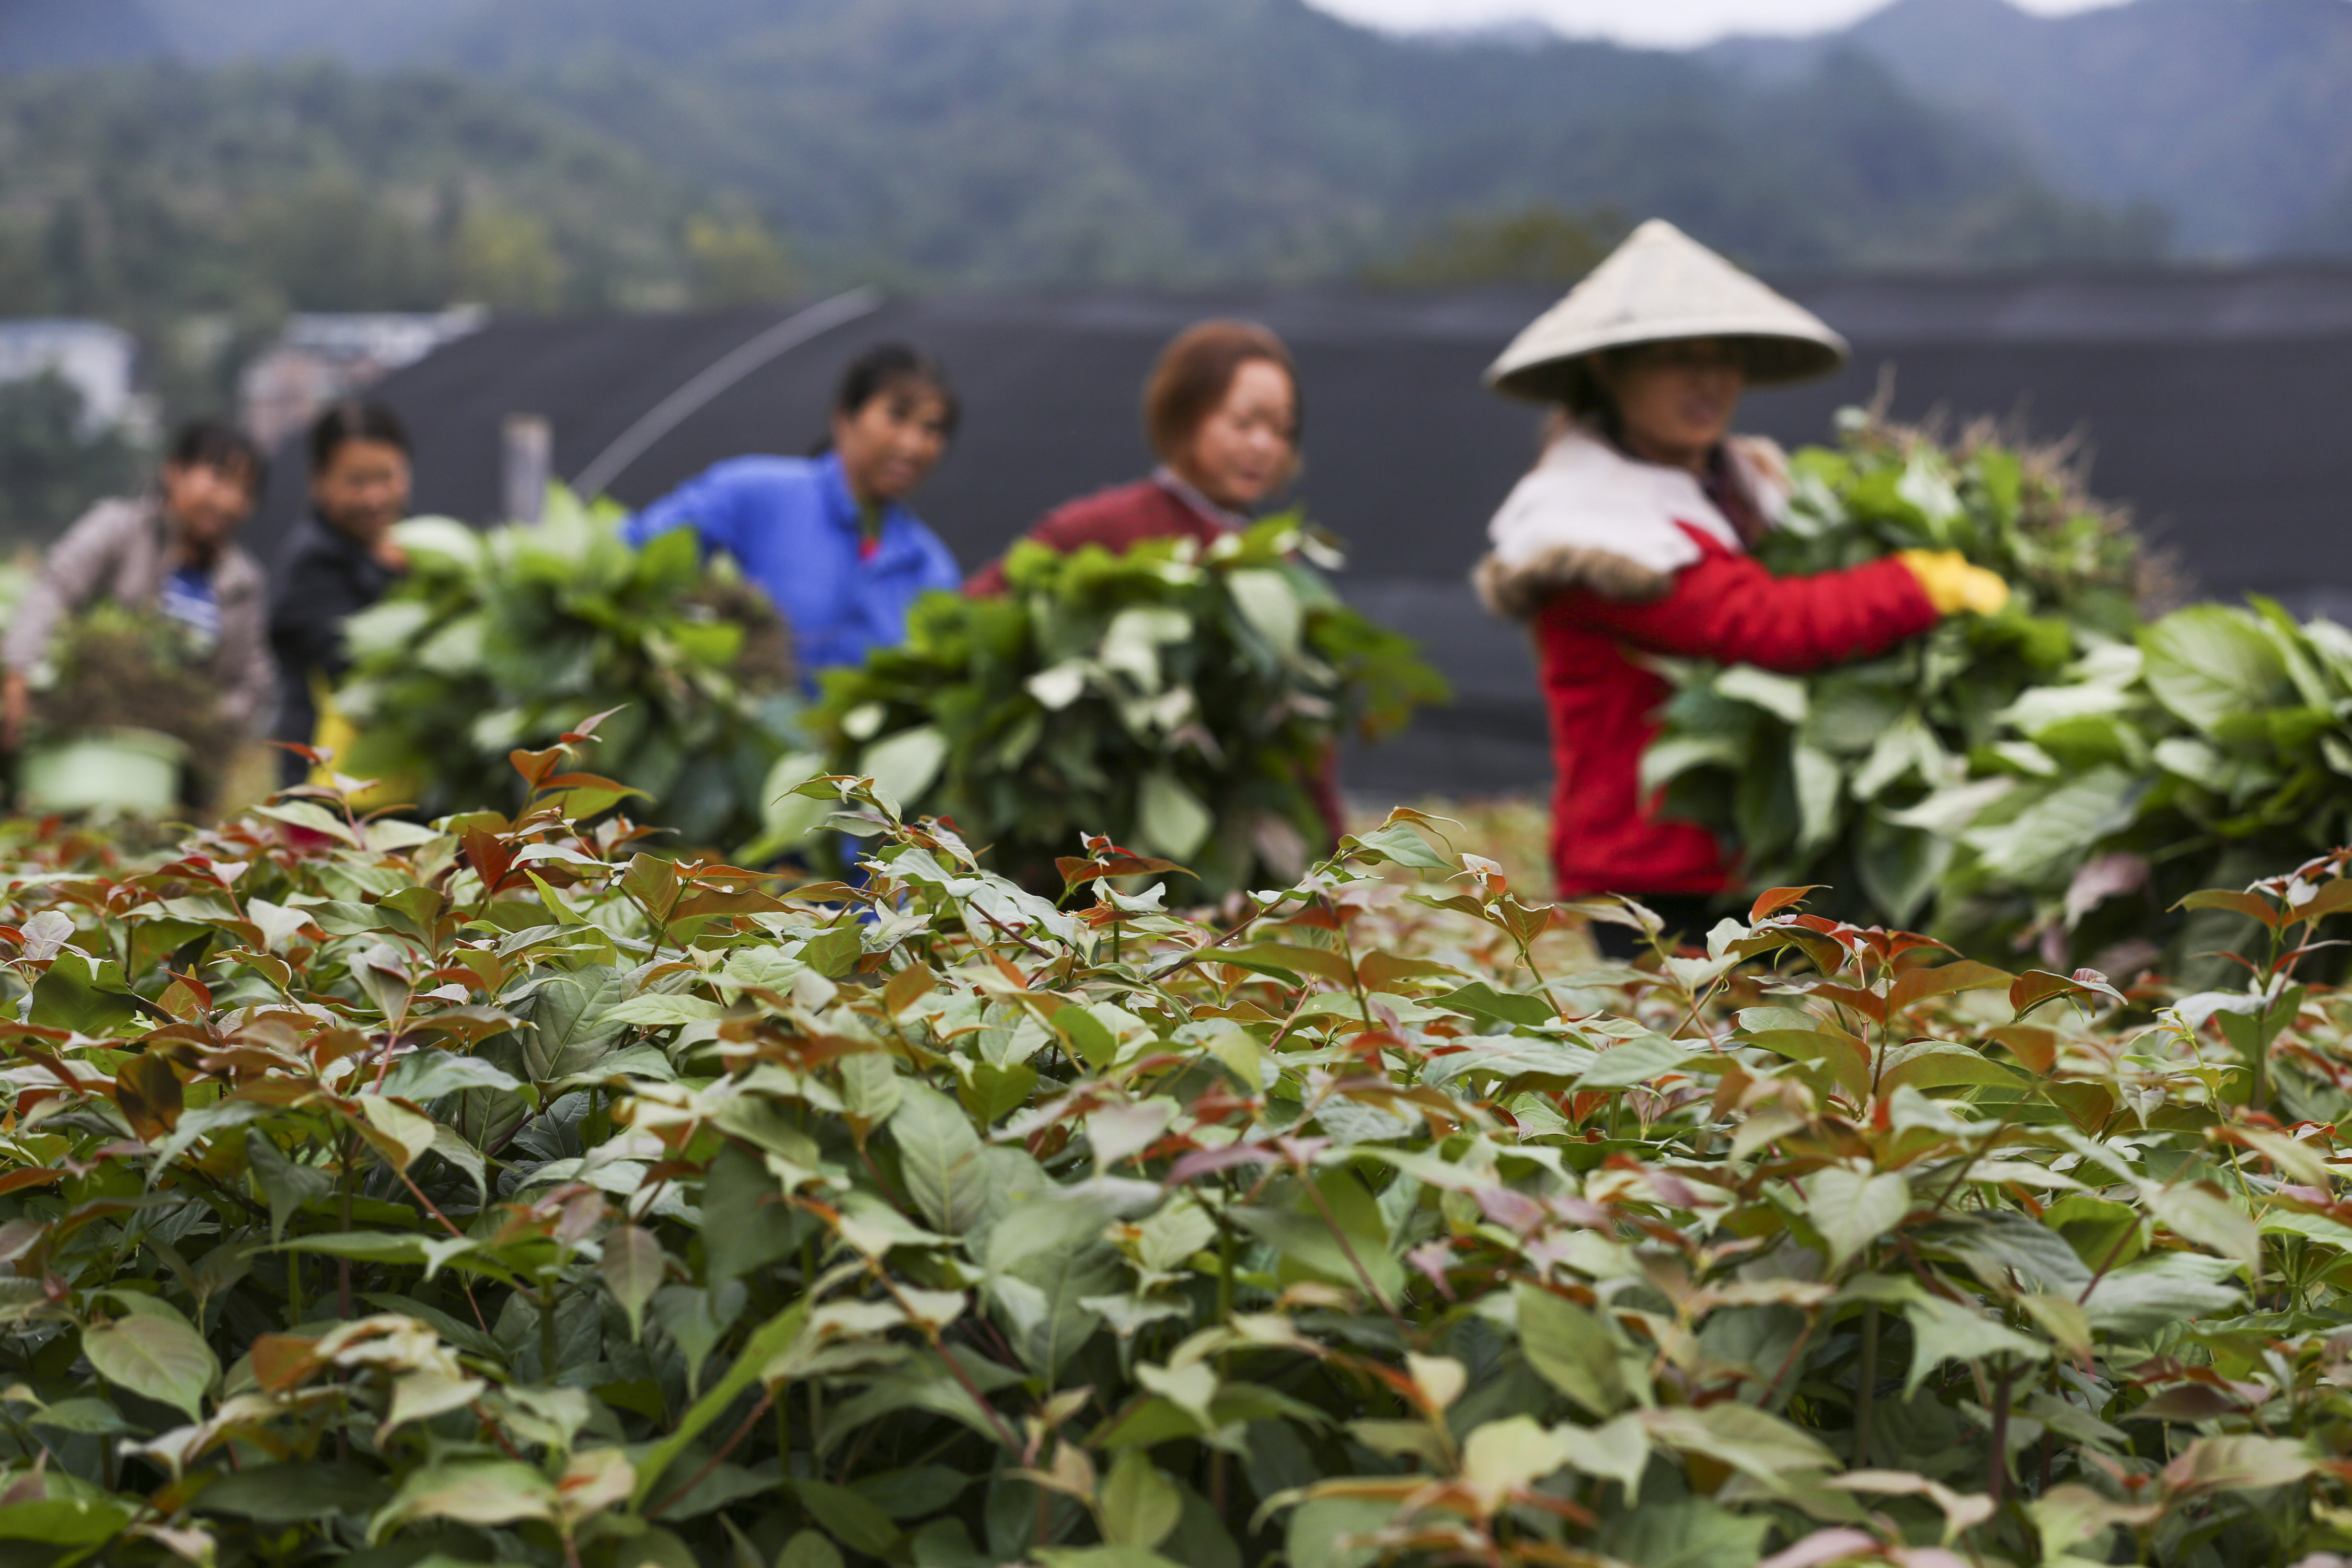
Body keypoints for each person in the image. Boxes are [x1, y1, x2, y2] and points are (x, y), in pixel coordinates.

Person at [1473, 220, 2009, 954]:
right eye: (1678, 359)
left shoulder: (1744, 487)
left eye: (1723, 358)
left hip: (1746, 862)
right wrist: (1915, 583)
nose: (1710, 381)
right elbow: (1761, 622)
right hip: (1651, 871)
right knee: (1683, 1032)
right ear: (1607, 367)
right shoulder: (1587, 524)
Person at [621, 342, 962, 685]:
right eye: (897, 416)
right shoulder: (752, 494)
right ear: (845, 417)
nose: (912, 445)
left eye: (932, 429)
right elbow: (632, 557)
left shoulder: (929, 569)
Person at [964, 319, 1299, 595]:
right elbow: (977, 611)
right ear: (1183, 414)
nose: (1264, 446)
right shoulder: (1099, 529)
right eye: (1243, 423)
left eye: (1281, 429)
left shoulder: (1278, 559)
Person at [1, 419, 275, 753]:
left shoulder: (243, 583)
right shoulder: (119, 529)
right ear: (175, 472)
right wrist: (19, 670)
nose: (230, 501)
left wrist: (203, 723)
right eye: (219, 478)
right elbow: (53, 589)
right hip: (83, 736)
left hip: (178, 757)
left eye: (246, 491)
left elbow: (253, 684)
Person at [269, 401, 414, 786]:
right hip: (324, 796)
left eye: (387, 477)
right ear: (318, 480)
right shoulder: (311, 566)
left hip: (395, 789)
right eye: (356, 481)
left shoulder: (408, 549)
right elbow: (355, 662)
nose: (375, 498)